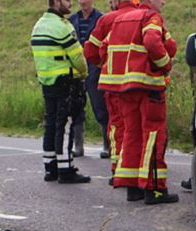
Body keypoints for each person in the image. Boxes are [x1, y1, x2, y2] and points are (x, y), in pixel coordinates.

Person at [98, 0, 179, 204]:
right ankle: (155, 190)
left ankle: (133, 188)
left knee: (132, 134)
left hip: (123, 88)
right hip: (148, 86)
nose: (163, 2)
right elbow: (153, 42)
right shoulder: (150, 17)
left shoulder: (119, 19)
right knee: (153, 135)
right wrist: (165, 65)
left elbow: (102, 48)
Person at [31, 0, 91, 184]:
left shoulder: (39, 25)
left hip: (47, 82)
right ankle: (66, 169)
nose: (71, 3)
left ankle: (51, 168)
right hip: (66, 82)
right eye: (67, 0)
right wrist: (83, 73)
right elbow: (77, 56)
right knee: (65, 125)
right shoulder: (62, 27)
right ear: (56, 2)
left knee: (50, 123)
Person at [84, 0, 138, 185]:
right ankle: (141, 171)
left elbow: (90, 51)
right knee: (137, 128)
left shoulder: (107, 20)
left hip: (114, 85)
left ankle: (118, 169)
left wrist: (106, 65)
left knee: (117, 126)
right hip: (140, 84)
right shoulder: (146, 18)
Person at [68, 0, 111, 159]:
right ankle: (78, 146)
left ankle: (107, 145)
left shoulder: (102, 19)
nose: (82, 2)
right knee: (76, 107)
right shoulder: (72, 20)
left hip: (95, 69)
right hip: (77, 69)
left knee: (101, 107)